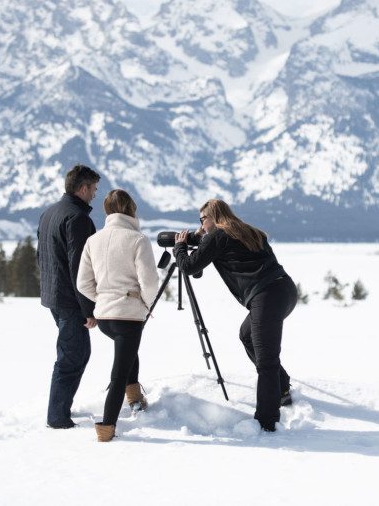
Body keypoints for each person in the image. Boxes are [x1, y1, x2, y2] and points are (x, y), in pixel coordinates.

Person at [174, 199, 297, 432]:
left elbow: (190, 267)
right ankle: (281, 386)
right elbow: (199, 266)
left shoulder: (218, 235)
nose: (201, 226)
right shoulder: (247, 231)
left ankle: (267, 421)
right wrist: (201, 242)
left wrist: (180, 247)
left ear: (214, 217)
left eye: (203, 220)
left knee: (266, 360)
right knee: (247, 335)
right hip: (285, 291)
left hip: (266, 296)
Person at [77, 189, 159, 442]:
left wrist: (102, 299)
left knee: (127, 354)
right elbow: (150, 282)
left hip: (104, 318)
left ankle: (135, 397)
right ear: (131, 209)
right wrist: (144, 304)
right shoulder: (137, 239)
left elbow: (83, 283)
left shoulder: (94, 240)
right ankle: (107, 427)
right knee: (119, 372)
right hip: (129, 316)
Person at [37, 164, 100, 429]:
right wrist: (89, 308)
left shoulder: (49, 213)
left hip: (54, 295)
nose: (95, 195)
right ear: (83, 188)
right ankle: (57, 417)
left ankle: (61, 410)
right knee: (71, 356)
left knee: (77, 353)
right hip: (70, 300)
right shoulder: (78, 218)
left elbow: (40, 256)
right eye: (94, 189)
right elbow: (80, 267)